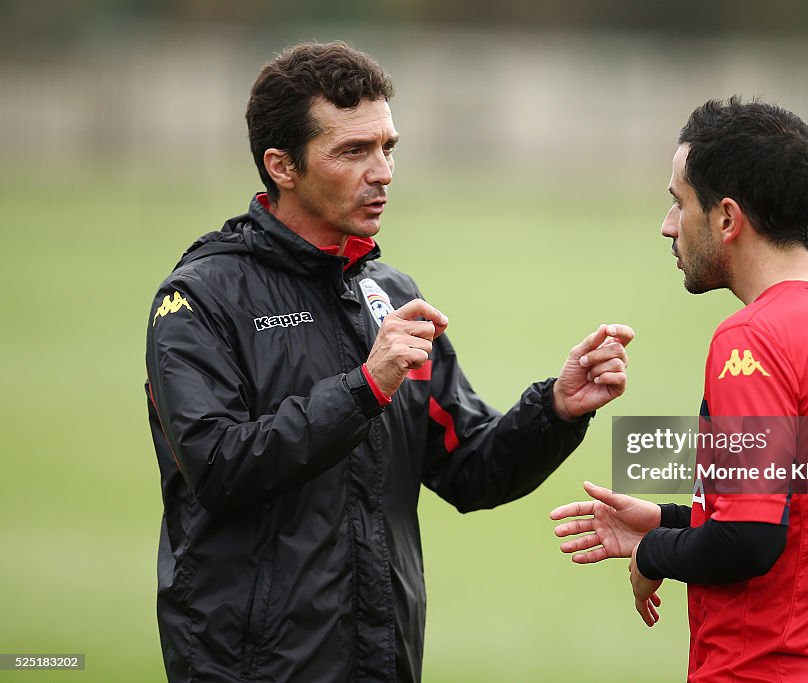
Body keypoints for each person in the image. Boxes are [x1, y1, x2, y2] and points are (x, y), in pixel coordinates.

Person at [145, 41, 633, 683]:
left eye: (388, 147)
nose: (383, 172)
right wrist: (364, 388)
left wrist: (556, 409)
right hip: (250, 668)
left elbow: (469, 468)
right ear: (281, 166)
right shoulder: (200, 299)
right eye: (353, 151)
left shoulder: (390, 294)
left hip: (383, 659)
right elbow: (218, 466)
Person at [551, 97, 808, 682]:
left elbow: (750, 538)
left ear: (727, 218)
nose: (668, 225)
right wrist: (670, 522)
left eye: (679, 203)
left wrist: (654, 554)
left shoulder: (753, 338)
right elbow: (804, 507)